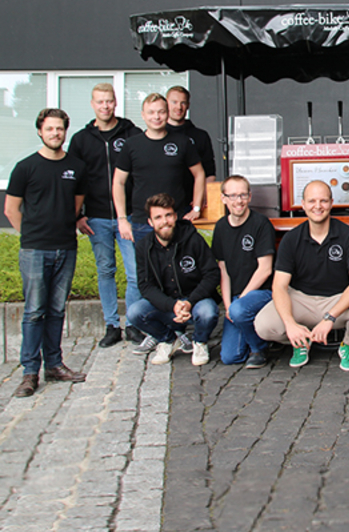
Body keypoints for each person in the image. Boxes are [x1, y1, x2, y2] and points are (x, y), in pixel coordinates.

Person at [6, 109, 88, 397]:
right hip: (35, 250)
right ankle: (30, 372)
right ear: (40, 131)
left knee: (56, 310)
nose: (55, 133)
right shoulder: (25, 167)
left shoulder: (76, 167)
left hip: (66, 247)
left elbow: (76, 205)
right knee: (34, 312)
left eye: (60, 129)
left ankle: (54, 364)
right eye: (50, 129)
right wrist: (30, 236)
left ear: (65, 131)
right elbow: (11, 209)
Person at [254, 181, 349, 371]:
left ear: (331, 203)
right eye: (311, 201)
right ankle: (300, 342)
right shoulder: (291, 239)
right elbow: (279, 286)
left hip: (337, 300)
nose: (317, 206)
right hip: (301, 300)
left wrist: (329, 318)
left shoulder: (348, 236)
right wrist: (290, 324)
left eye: (323, 201)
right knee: (263, 325)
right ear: (302, 204)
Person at [70, 83, 143, 347]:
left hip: (130, 217)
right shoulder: (80, 140)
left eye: (109, 101)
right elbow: (75, 180)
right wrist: (78, 215)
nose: (105, 106)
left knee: (135, 273)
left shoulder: (132, 133)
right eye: (100, 102)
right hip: (97, 217)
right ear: (92, 104)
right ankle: (112, 325)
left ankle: (133, 324)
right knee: (106, 270)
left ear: (115, 103)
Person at [127, 193, 221, 367]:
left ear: (175, 216)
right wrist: (172, 305)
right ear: (150, 222)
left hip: (196, 301)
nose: (165, 222)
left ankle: (199, 342)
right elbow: (145, 285)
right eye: (158, 217)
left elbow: (212, 274)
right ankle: (168, 340)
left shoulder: (193, 239)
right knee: (135, 312)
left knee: (208, 312)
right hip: (167, 304)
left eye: (168, 215)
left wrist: (189, 302)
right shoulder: (143, 247)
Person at [113, 93, 205, 244]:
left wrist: (196, 208)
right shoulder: (131, 145)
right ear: (143, 115)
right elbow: (118, 182)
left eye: (161, 112)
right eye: (151, 112)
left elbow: (199, 174)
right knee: (146, 266)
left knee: (178, 265)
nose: (156, 117)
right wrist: (122, 218)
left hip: (175, 219)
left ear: (167, 113)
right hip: (143, 221)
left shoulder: (182, 142)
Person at [212, 175, 276, 368]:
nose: (238, 201)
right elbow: (223, 270)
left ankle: (259, 348)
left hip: (262, 292)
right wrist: (227, 305)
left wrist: (239, 301)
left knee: (239, 310)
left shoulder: (261, 224)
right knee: (230, 357)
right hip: (236, 299)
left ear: (249, 197)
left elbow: (265, 270)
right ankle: (252, 332)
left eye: (242, 195)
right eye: (232, 196)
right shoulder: (221, 227)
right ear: (223, 198)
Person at [165, 86, 217, 212]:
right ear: (166, 103)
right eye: (174, 102)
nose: (179, 107)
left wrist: (202, 197)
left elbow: (209, 172)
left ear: (188, 105)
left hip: (191, 205)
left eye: (183, 103)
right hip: (161, 205)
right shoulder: (156, 135)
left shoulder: (200, 136)